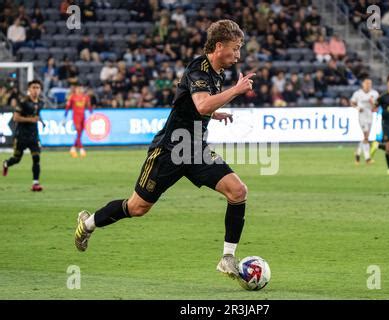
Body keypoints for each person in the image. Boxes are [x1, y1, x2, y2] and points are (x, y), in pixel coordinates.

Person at [74, 20, 255, 280]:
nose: (238, 55)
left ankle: (227, 257)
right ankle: (88, 223)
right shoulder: (198, 69)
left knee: (238, 191)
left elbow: (194, 105)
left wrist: (215, 114)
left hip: (195, 150)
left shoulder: (217, 73)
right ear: (218, 46)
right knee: (137, 208)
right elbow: (201, 105)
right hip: (169, 150)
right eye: (235, 49)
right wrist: (235, 92)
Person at [3, 80, 44, 191]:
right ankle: (6, 163)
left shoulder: (41, 102)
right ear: (29, 89)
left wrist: (41, 121)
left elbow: (36, 115)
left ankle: (35, 183)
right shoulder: (23, 102)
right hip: (21, 135)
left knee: (36, 157)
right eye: (33, 87)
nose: (36, 90)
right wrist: (31, 119)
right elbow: (16, 118)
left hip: (34, 136)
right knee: (16, 159)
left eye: (38, 88)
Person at [350, 76, 379, 165]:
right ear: (363, 84)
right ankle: (367, 158)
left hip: (370, 116)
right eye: (366, 83)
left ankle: (358, 153)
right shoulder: (358, 93)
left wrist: (373, 104)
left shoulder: (375, 93)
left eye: (369, 83)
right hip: (362, 116)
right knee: (366, 136)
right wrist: (358, 107)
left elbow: (376, 107)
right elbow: (352, 102)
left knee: (366, 137)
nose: (368, 85)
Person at [64, 84, 93, 158]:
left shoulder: (85, 97)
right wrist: (64, 118)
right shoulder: (72, 97)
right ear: (75, 89)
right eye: (78, 88)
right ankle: (81, 149)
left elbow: (89, 106)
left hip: (83, 117)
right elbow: (67, 107)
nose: (79, 89)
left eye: (81, 88)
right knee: (78, 131)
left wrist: (92, 115)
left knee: (79, 134)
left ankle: (73, 148)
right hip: (76, 117)